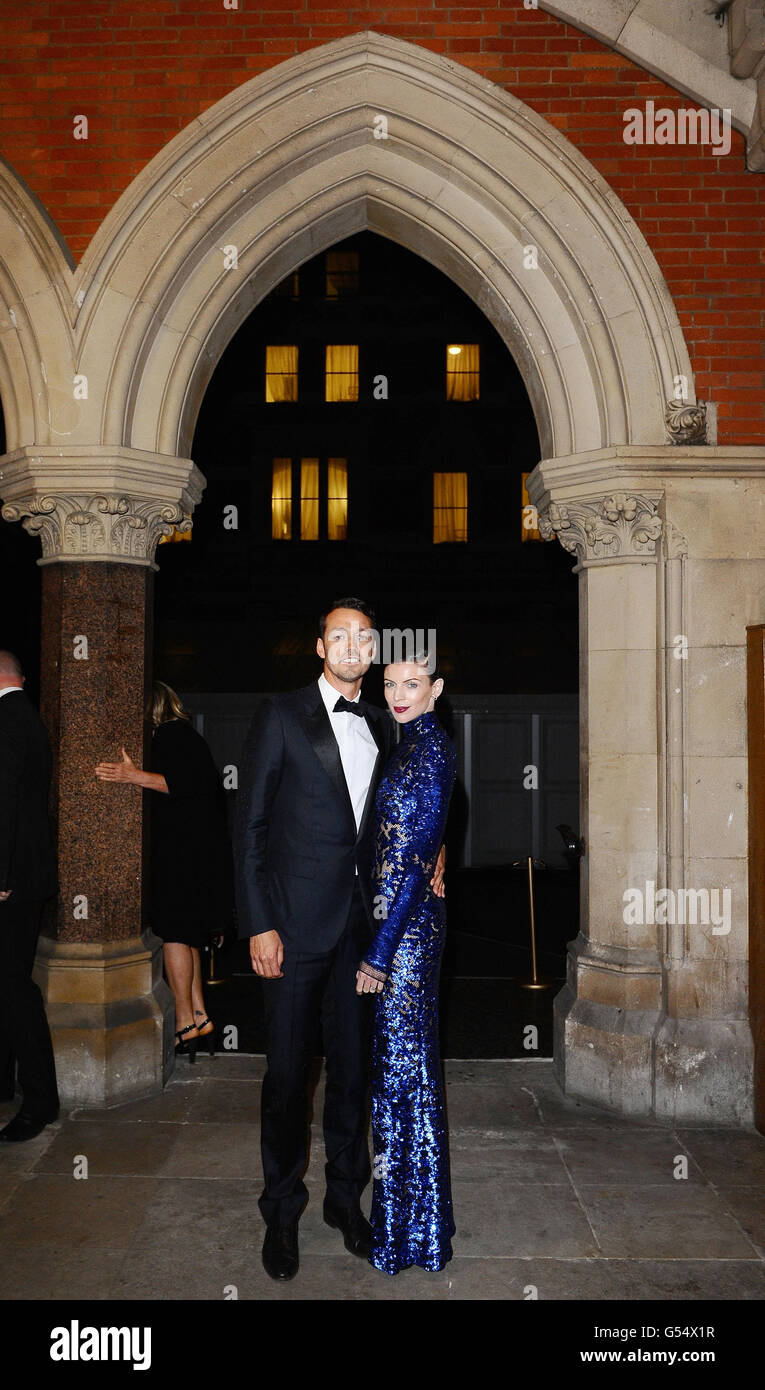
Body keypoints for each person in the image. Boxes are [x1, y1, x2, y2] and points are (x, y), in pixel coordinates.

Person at [234, 599, 445, 1281]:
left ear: (374, 649)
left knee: (352, 1079)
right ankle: (281, 1211)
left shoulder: (389, 723)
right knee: (288, 1079)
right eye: (339, 635)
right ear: (319, 647)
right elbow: (250, 831)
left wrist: (437, 854)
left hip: (360, 935)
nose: (353, 645)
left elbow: (414, 812)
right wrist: (258, 924)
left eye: (364, 636)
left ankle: (343, 1201)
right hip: (290, 933)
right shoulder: (281, 714)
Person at [356, 652, 457, 1274]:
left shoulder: (431, 750)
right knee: (404, 1077)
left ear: (434, 689)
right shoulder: (412, 742)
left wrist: (379, 952)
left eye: (410, 684)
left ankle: (407, 1232)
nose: (397, 692)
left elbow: (417, 863)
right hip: (405, 924)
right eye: (390, 683)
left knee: (400, 1078)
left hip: (407, 935)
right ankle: (414, 1226)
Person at [95, 681, 234, 1061]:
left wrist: (131, 775)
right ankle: (201, 1017)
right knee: (186, 937)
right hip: (193, 855)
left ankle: (185, 1023)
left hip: (180, 856)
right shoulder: (186, 736)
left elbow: (181, 784)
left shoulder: (171, 737)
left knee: (174, 935)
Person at [0, 650, 60, 1142]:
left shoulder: (9, 718)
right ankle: (9, 1083)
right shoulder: (28, 716)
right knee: (9, 983)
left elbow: (4, 802)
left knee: (14, 986)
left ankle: (39, 1102)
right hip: (25, 875)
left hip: (10, 880)